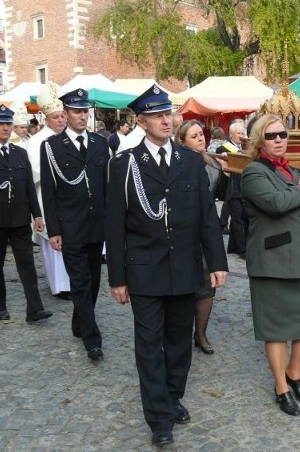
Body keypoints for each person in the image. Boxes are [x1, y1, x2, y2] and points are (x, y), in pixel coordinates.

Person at [105, 83, 227, 448]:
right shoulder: (124, 165)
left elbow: (207, 215)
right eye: (156, 115)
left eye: (168, 113)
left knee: (179, 342)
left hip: (186, 267)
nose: (165, 119)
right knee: (148, 344)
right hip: (143, 269)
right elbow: (114, 224)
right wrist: (117, 278)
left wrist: (217, 261)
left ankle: (173, 397)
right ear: (140, 121)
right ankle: (159, 417)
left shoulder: (189, 160)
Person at [241, 114, 300, 417]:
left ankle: (294, 371)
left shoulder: (290, 170)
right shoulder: (253, 173)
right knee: (275, 330)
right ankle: (281, 386)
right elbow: (276, 204)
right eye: (271, 135)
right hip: (272, 261)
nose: (278, 139)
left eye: (282, 134)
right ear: (259, 140)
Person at [40, 88, 109, 361]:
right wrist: (54, 230)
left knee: (92, 282)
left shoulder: (99, 143)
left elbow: (105, 185)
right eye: (77, 111)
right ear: (65, 113)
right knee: (80, 282)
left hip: (96, 224)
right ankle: (92, 339)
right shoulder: (52, 147)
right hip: (70, 226)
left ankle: (78, 322)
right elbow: (49, 191)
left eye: (85, 111)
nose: (82, 116)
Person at [0, 105, 52, 323]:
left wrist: (37, 215)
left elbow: (28, 189)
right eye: (0, 124)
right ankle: (0, 305)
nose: (5, 128)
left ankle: (35, 308)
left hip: (19, 218)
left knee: (27, 264)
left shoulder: (20, 153)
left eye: (8, 124)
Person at [174, 120, 228, 354]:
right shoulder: (176, 163)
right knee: (186, 284)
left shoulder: (212, 162)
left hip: (207, 230)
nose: (200, 138)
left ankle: (201, 334)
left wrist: (226, 173)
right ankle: (182, 334)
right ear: (182, 141)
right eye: (194, 136)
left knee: (208, 284)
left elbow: (223, 195)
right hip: (184, 232)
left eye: (201, 134)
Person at [26, 82, 71, 300]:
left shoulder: (68, 138)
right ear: (46, 119)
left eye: (63, 116)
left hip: (69, 199)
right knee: (52, 243)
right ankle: (59, 285)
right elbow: (36, 171)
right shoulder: (36, 142)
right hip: (46, 198)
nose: (61, 120)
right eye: (56, 117)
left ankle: (70, 282)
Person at [217, 119, 246, 259]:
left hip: (243, 187)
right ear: (232, 134)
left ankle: (233, 246)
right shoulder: (223, 148)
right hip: (233, 187)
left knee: (239, 218)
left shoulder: (245, 147)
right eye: (239, 133)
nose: (242, 136)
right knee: (238, 219)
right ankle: (242, 250)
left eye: (243, 133)